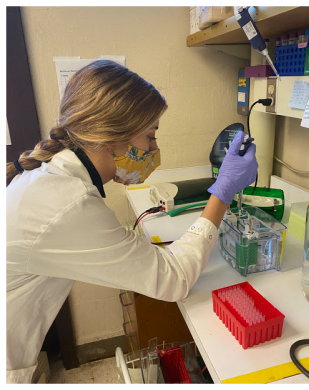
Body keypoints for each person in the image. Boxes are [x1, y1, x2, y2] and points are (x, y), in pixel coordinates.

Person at [5, 60, 258, 383]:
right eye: (150, 135)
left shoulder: (53, 179)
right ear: (114, 136)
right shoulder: (68, 204)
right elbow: (175, 280)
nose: (154, 148)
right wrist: (222, 192)